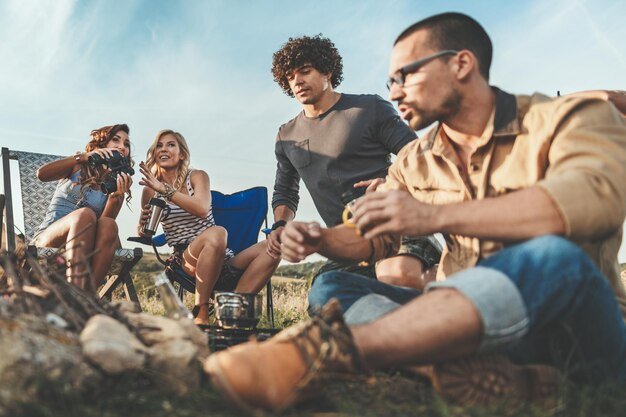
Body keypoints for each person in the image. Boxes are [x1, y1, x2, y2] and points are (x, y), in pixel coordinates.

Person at [203, 12, 626, 412]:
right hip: (485, 336)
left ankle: (328, 354)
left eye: (406, 75)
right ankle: (460, 369)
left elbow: (590, 200)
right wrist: (322, 239)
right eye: (390, 80)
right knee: (334, 288)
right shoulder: (414, 161)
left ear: (461, 64)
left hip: (575, 329)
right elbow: (372, 238)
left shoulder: (569, 117)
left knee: (553, 255)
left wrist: (433, 217)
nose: (394, 92)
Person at [268, 34, 442, 291]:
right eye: (290, 77)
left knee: (396, 275)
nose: (298, 81)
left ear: (327, 71)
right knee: (326, 293)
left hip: (396, 226)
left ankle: (451, 283)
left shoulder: (369, 108)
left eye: (305, 71)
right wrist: (281, 225)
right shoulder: (286, 136)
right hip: (346, 243)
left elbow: (416, 156)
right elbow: (285, 192)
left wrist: (391, 183)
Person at [137, 129, 280, 325]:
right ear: (154, 153)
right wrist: (142, 225)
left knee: (274, 246)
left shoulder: (197, 177)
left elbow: (202, 209)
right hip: (186, 258)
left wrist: (166, 191)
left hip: (222, 257)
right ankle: (201, 310)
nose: (164, 149)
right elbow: (143, 230)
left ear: (182, 155)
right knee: (217, 233)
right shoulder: (150, 189)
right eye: (159, 146)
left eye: (171, 145)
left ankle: (230, 310)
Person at [33, 124, 133, 293]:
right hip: (49, 240)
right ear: (101, 144)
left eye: (126, 144)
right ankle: (76, 291)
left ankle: (87, 297)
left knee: (109, 225)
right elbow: (42, 175)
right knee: (85, 214)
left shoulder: (115, 185)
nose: (122, 146)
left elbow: (103, 230)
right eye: (115, 140)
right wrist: (83, 157)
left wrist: (116, 196)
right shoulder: (78, 165)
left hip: (85, 248)